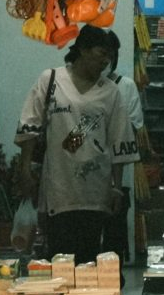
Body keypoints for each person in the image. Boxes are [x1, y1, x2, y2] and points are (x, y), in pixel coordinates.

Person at [16, 24, 137, 262]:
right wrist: (25, 168)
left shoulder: (110, 92)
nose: (105, 62)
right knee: (59, 259)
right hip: (58, 191)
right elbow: (29, 126)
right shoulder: (51, 80)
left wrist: (116, 186)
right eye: (101, 54)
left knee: (89, 258)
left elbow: (119, 140)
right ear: (82, 49)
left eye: (109, 57)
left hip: (96, 192)